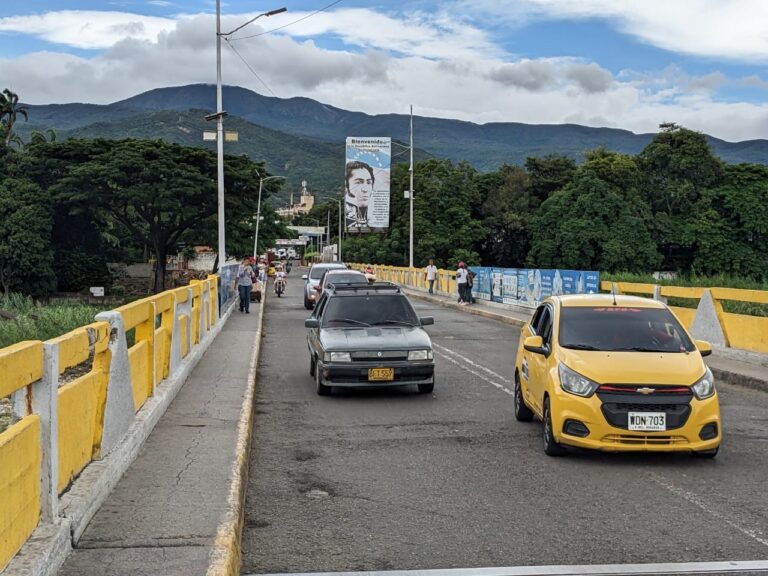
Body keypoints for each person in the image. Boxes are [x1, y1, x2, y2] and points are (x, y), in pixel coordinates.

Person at [345, 160, 375, 229]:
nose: (365, 189)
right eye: (358, 182)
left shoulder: (376, 218)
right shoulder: (348, 218)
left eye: (369, 182)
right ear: (347, 186)